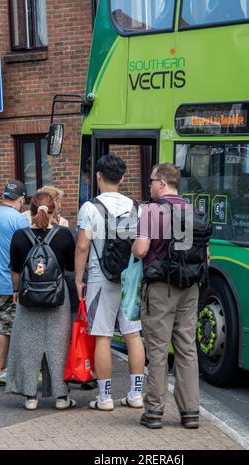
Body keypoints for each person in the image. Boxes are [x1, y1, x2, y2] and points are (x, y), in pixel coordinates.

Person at [133, 163, 203, 430]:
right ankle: (190, 412)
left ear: (162, 182)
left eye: (151, 180)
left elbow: (141, 249)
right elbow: (205, 254)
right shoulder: (193, 210)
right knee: (187, 348)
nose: (149, 185)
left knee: (158, 349)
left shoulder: (151, 211)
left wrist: (132, 244)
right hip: (190, 287)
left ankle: (154, 411)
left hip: (160, 287)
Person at [75, 154, 145, 411]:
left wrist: (78, 280)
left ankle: (105, 398)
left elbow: (82, 246)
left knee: (102, 336)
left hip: (99, 277)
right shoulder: (137, 207)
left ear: (98, 176)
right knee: (133, 334)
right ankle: (136, 394)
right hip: (130, 279)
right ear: (123, 178)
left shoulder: (89, 207)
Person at [6, 192, 76, 410]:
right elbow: (71, 268)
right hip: (57, 296)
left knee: (28, 345)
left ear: (31, 211)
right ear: (54, 210)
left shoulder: (19, 236)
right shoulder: (65, 235)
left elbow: (16, 270)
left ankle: (30, 397)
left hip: (28, 296)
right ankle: (62, 397)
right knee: (58, 345)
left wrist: (16, 290)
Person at [0, 180, 29, 387]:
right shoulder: (19, 220)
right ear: (21, 199)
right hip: (7, 282)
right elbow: (25, 253)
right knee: (3, 327)